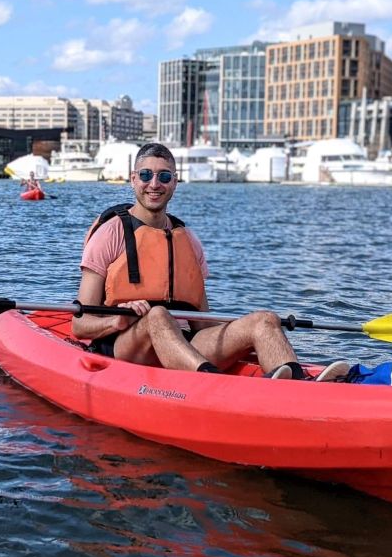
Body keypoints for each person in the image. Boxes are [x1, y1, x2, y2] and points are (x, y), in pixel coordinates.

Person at [71, 142, 312, 380]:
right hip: (125, 345)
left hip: (180, 343)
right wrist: (117, 320)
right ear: (133, 179)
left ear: (175, 182)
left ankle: (300, 386)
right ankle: (211, 382)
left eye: (164, 177)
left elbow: (202, 324)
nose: (154, 184)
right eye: (146, 175)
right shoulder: (110, 235)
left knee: (265, 319)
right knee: (157, 315)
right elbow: (79, 326)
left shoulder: (188, 240)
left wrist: (241, 335)